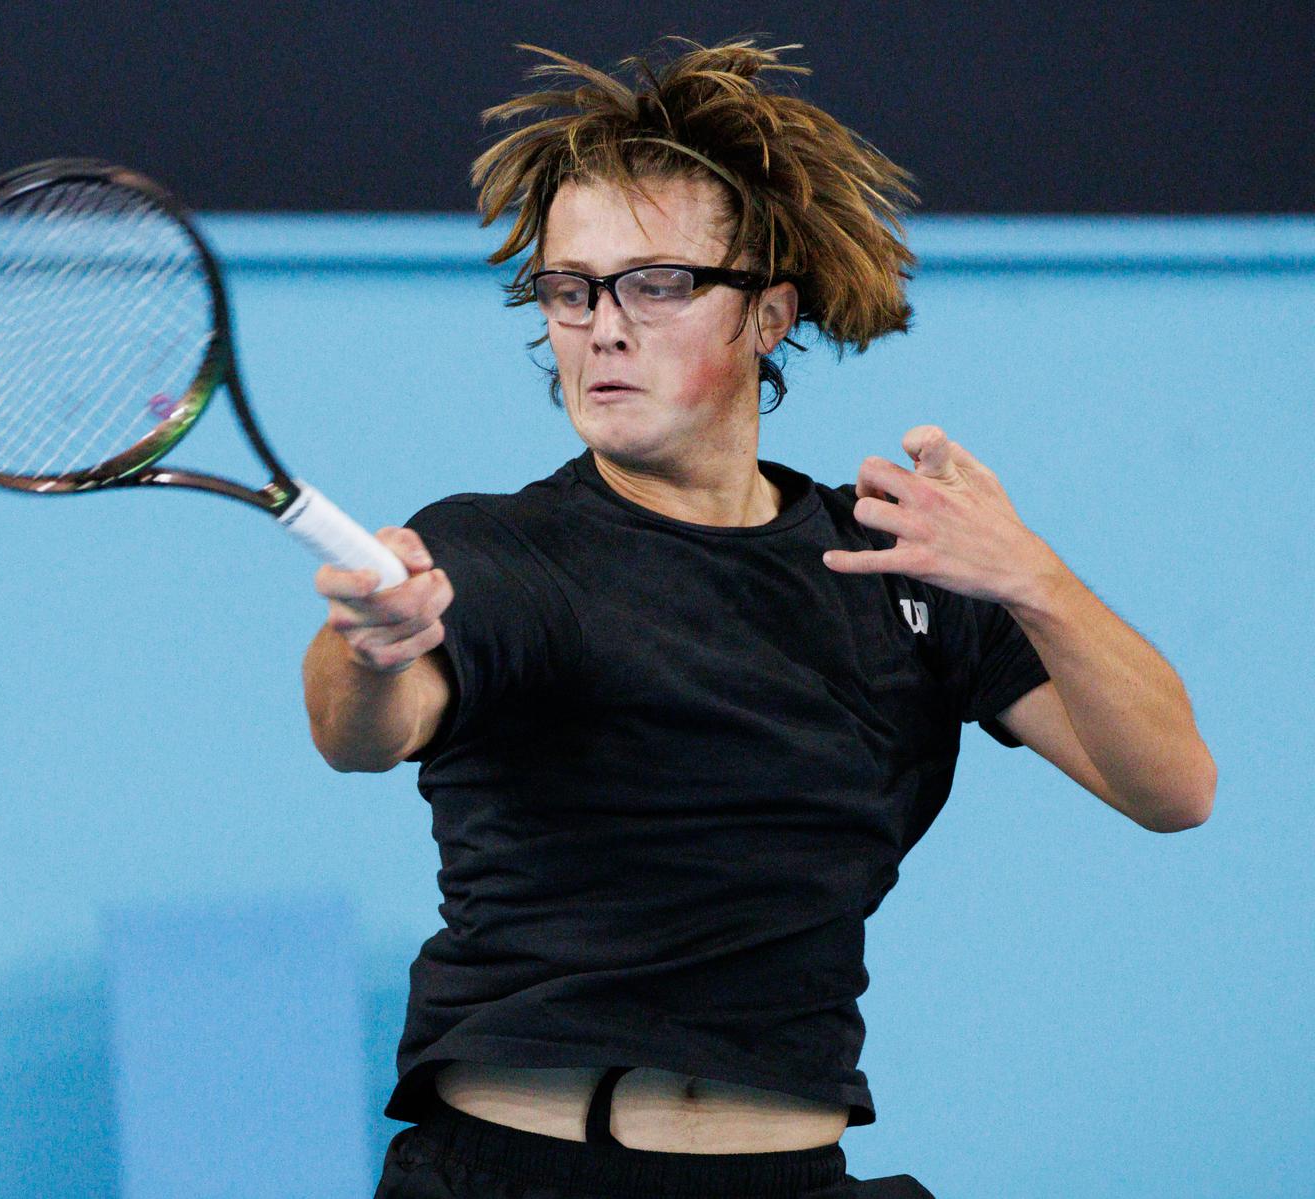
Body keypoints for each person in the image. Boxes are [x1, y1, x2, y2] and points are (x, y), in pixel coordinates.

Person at [300, 35, 1217, 1199]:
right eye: (570, 289)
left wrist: (1033, 576)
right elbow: (360, 728)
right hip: (520, 1172)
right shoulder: (498, 550)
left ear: (770, 312)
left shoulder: (904, 565)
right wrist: (369, 645)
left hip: (790, 1173)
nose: (604, 327)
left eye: (658, 283)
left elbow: (1174, 785)